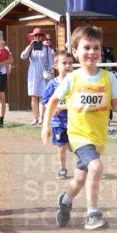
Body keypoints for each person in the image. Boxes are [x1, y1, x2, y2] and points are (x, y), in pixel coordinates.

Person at [41, 25, 117, 230]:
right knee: (96, 167)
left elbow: (116, 105)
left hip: (98, 137)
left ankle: (65, 201)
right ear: (75, 52)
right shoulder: (72, 79)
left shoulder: (108, 77)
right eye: (86, 48)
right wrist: (45, 126)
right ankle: (92, 214)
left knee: (79, 178)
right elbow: (52, 102)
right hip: (78, 135)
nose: (92, 52)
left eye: (96, 48)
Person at [41, 49, 73, 179]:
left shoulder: (75, 83)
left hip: (74, 121)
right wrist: (53, 109)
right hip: (58, 122)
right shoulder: (52, 84)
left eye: (70, 63)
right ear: (56, 66)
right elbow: (45, 101)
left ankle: (84, 165)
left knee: (75, 147)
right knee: (62, 147)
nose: (68, 66)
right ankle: (62, 168)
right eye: (64, 63)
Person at [20, 27, 56, 126]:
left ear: (42, 37)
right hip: (33, 73)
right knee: (34, 96)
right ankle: (35, 118)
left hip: (44, 74)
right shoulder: (31, 47)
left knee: (42, 96)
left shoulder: (47, 48)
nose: (38, 37)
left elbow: (51, 62)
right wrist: (30, 46)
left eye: (40, 35)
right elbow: (23, 56)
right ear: (33, 37)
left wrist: (51, 73)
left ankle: (42, 118)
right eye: (36, 35)